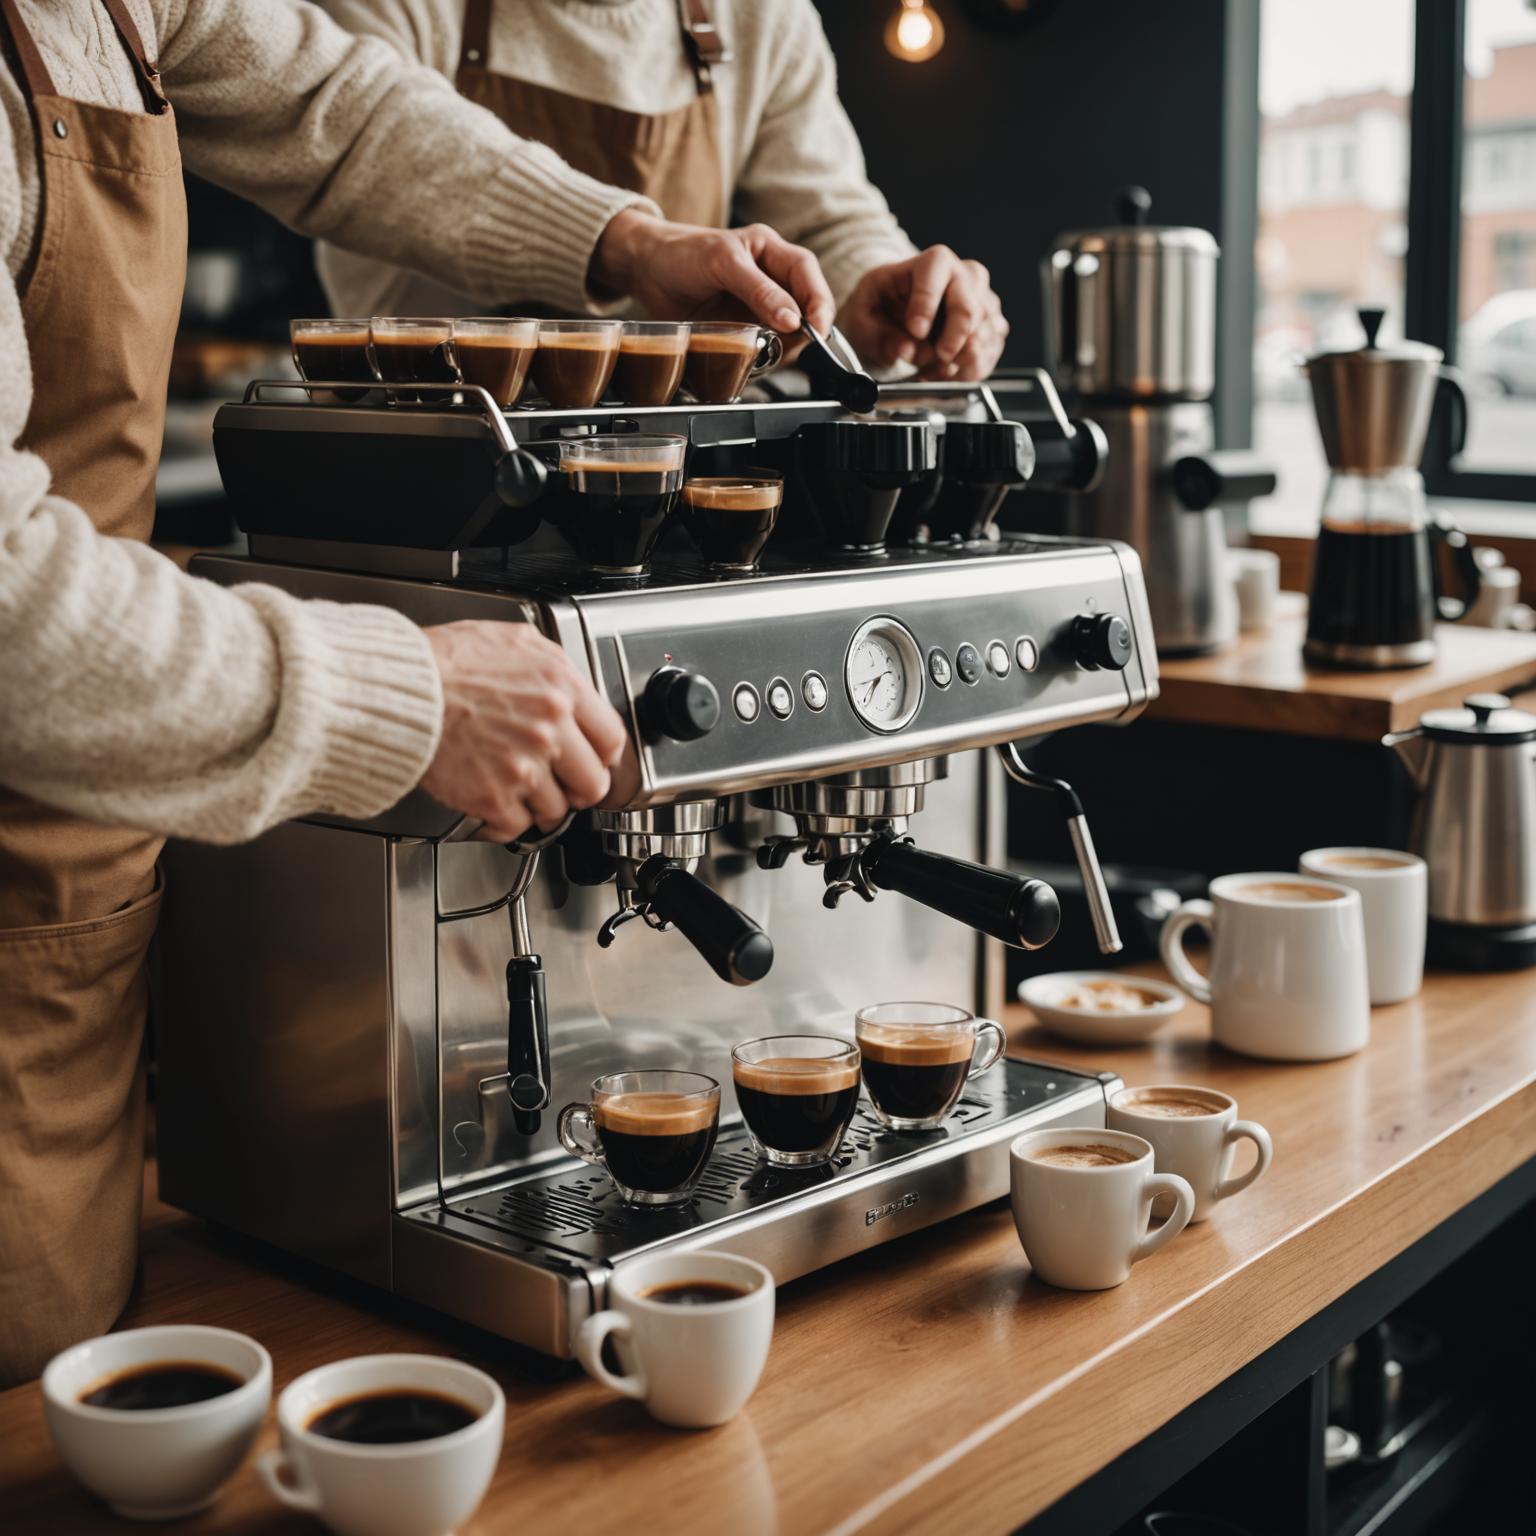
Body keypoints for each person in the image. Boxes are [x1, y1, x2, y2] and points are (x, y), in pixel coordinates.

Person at [0, 0, 838, 1386]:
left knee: (58, 1369)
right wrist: (409, 699)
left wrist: (628, 245)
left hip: (74, 867)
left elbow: (339, 113)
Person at [315, 0, 1009, 380]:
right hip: (426, 450)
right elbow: (382, 149)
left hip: (671, 469)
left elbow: (827, 220)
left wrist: (878, 291)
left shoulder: (763, 16)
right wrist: (635, 248)